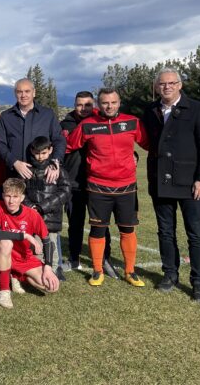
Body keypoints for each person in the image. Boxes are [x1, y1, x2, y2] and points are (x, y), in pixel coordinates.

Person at [142, 68, 200, 303]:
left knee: (195, 233)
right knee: (165, 231)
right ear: (156, 87)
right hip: (161, 180)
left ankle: (199, 281)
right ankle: (170, 274)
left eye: (172, 83)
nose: (167, 87)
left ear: (180, 85)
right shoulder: (150, 111)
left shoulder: (198, 109)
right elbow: (144, 141)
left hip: (190, 182)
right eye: (162, 84)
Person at [66, 88, 149, 288]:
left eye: (113, 102)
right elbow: (68, 145)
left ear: (119, 103)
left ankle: (130, 271)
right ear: (98, 105)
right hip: (98, 186)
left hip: (126, 186)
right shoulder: (88, 125)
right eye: (104, 103)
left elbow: (150, 145)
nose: (109, 106)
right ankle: (97, 271)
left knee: (127, 229)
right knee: (97, 229)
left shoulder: (132, 122)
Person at [60, 92, 115, 276]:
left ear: (94, 105)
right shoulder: (65, 125)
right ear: (74, 105)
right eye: (79, 105)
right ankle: (74, 258)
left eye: (88, 105)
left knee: (100, 224)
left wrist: (134, 155)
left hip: (98, 182)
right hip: (73, 181)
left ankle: (104, 259)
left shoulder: (102, 123)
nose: (83, 109)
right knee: (75, 223)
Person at [0, 178, 60, 309]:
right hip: (0, 252)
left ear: (22, 198)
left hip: (22, 257)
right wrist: (24, 235)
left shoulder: (32, 215)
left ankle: (15, 275)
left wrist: (48, 267)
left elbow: (47, 241)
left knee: (51, 286)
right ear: (3, 195)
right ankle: (4, 290)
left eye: (15, 196)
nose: (11, 200)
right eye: (8, 196)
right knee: (6, 243)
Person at [0, 78, 65, 183]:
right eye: (19, 92)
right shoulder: (6, 117)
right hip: (15, 175)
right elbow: (0, 143)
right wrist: (14, 162)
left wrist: (55, 162)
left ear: (34, 92)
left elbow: (59, 140)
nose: (23, 95)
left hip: (43, 175)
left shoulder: (48, 114)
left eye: (27, 91)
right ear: (15, 94)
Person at [22, 136, 71, 281]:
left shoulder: (58, 170)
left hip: (51, 218)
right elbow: (20, 193)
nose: (40, 156)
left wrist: (43, 207)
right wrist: (31, 207)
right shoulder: (27, 170)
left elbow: (65, 191)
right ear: (32, 151)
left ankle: (54, 273)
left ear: (50, 151)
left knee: (51, 246)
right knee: (37, 248)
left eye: (43, 153)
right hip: (33, 218)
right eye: (37, 153)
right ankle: (39, 274)